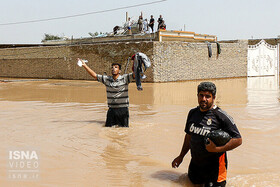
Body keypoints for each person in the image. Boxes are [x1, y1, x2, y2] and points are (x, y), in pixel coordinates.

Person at [172, 82, 242, 187]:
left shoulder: (221, 116)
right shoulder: (192, 113)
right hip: (196, 165)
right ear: (197, 96)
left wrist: (216, 149)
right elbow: (189, 136)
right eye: (201, 95)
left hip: (215, 170)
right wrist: (181, 156)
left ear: (213, 98)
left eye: (207, 96)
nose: (204, 99)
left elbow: (238, 140)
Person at [79, 58, 135, 127]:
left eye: (116, 67)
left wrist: (137, 63)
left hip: (123, 110)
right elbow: (94, 75)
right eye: (112, 67)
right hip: (111, 110)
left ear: (119, 71)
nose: (113, 69)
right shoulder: (107, 79)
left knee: (124, 131)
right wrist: (84, 65)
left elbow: (135, 75)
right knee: (108, 129)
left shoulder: (125, 78)